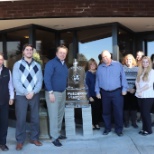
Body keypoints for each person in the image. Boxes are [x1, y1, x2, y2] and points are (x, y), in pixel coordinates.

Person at [12, 44, 43, 150]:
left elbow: (40, 81)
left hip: (34, 95)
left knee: (35, 118)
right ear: (23, 52)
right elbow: (16, 82)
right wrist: (26, 92)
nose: (29, 51)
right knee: (21, 119)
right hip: (21, 95)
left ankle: (34, 138)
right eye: (27, 50)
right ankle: (20, 141)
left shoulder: (37, 66)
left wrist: (33, 92)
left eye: (31, 50)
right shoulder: (17, 65)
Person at [95, 50, 128, 136]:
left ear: (110, 56)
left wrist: (124, 89)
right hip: (104, 93)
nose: (105, 58)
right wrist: (97, 91)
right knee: (106, 112)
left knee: (118, 112)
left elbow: (123, 77)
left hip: (117, 92)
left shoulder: (118, 65)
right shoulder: (100, 67)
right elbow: (97, 80)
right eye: (103, 57)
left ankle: (119, 130)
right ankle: (107, 128)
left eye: (106, 56)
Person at [44, 45, 68, 147]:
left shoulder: (64, 65)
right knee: (53, 116)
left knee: (60, 114)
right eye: (61, 52)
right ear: (56, 53)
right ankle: (54, 137)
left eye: (64, 53)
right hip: (53, 93)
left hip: (63, 92)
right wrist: (50, 92)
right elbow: (46, 78)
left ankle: (57, 133)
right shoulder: (51, 63)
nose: (62, 54)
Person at [135, 56, 154, 136]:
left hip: (148, 95)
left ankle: (148, 130)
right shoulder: (140, 71)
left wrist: (140, 90)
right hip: (140, 95)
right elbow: (136, 81)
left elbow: (149, 84)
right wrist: (138, 90)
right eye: (143, 62)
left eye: (147, 62)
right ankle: (144, 128)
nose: (145, 63)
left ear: (149, 63)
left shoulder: (152, 71)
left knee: (146, 113)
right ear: (141, 63)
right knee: (142, 113)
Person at [0, 53, 14, 151]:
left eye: (1, 59)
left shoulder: (7, 71)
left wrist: (11, 98)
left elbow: (11, 85)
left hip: (4, 101)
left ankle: (3, 143)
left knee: (4, 123)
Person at [122, 54, 138, 128]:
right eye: (127, 59)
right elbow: (120, 80)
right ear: (125, 61)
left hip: (134, 90)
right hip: (125, 91)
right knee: (125, 107)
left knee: (134, 107)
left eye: (130, 59)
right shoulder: (122, 69)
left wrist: (134, 88)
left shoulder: (137, 69)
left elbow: (139, 80)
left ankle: (134, 122)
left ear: (133, 61)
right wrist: (126, 89)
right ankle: (126, 122)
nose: (128, 61)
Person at [86, 58, 101, 130]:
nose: (93, 65)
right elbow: (86, 86)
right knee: (92, 110)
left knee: (98, 110)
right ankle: (91, 123)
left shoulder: (98, 72)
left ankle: (96, 123)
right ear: (89, 65)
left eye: (94, 64)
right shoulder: (87, 74)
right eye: (91, 64)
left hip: (98, 94)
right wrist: (89, 96)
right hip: (91, 95)